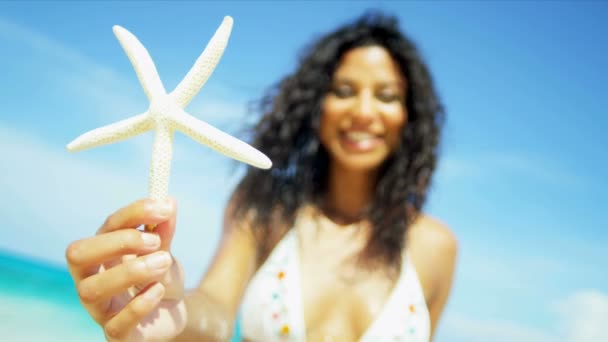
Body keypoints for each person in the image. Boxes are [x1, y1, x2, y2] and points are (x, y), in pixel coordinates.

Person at [66, 11, 457, 342]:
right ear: (316, 108)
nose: (364, 111)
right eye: (343, 90)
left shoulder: (436, 247)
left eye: (386, 96)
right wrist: (171, 310)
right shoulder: (267, 209)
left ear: (410, 120)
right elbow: (217, 311)